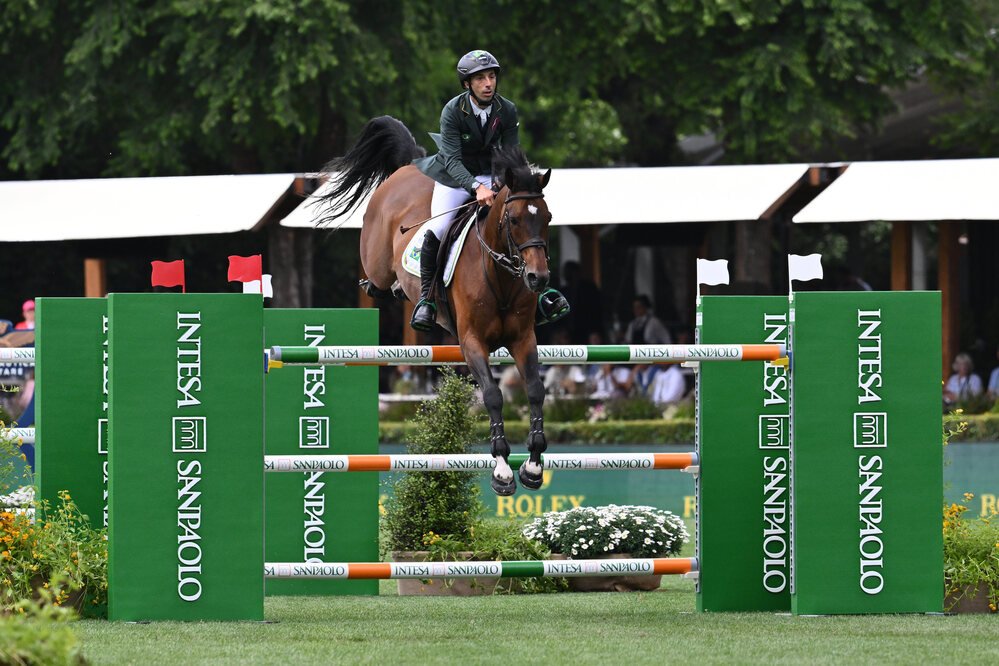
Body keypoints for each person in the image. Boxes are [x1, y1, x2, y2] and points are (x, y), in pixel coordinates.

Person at [409, 50, 569, 331]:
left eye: (492, 76)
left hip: (493, 175)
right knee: (438, 227)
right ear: (467, 84)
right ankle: (427, 300)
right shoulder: (452, 111)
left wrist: (510, 183)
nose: (488, 83)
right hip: (454, 176)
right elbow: (452, 159)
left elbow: (511, 152)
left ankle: (541, 293)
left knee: (524, 219)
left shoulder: (506, 109)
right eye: (480, 78)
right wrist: (475, 187)